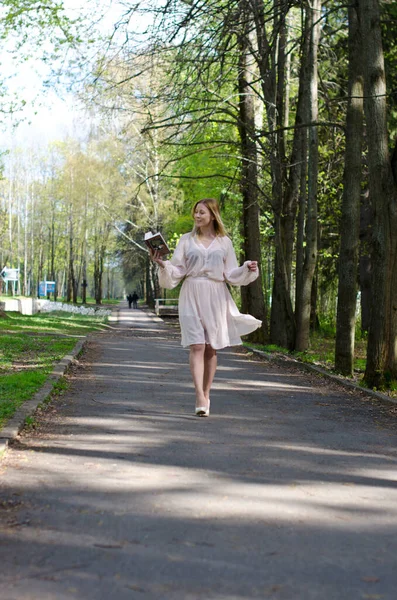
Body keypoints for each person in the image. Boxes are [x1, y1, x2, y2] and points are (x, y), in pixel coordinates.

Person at [150, 197, 261, 417]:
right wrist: (163, 264)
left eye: (201, 212)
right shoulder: (186, 240)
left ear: (212, 214)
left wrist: (247, 268)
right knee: (197, 344)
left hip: (216, 295)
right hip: (191, 292)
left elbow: (230, 274)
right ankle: (199, 395)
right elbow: (179, 270)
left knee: (211, 347)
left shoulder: (224, 242)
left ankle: (207, 392)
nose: (197, 216)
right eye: (196, 212)